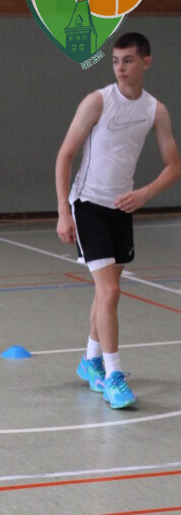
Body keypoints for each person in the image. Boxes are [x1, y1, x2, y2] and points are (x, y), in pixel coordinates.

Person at [56, 32, 180, 409]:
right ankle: (112, 376)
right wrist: (63, 211)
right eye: (115, 61)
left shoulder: (155, 110)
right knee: (110, 292)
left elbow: (174, 165)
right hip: (88, 205)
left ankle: (90, 360)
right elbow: (65, 156)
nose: (120, 68)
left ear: (146, 62)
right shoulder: (97, 102)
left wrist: (145, 193)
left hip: (122, 208)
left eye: (128, 60)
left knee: (106, 292)